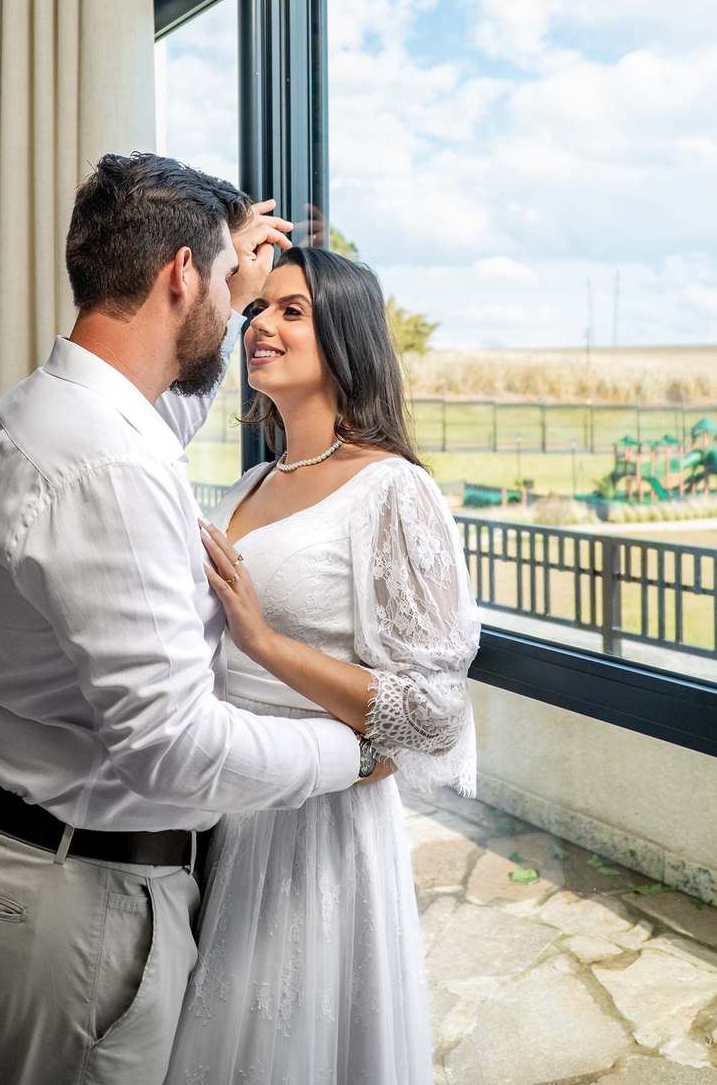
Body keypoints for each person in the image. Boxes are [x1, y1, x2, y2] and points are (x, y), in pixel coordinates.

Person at [0, 156, 374, 1085]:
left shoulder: (46, 409)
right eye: (231, 282)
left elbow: (159, 416)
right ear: (180, 273)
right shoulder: (111, 467)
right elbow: (172, 747)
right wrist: (355, 755)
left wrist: (225, 284)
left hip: (15, 863)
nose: (247, 307)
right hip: (75, 908)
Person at [164, 245, 480, 1085]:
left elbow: (434, 712)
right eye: (256, 308)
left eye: (291, 311)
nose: (260, 324)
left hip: (321, 832)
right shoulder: (248, 485)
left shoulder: (393, 490)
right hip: (228, 809)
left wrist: (266, 645)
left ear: (346, 339)